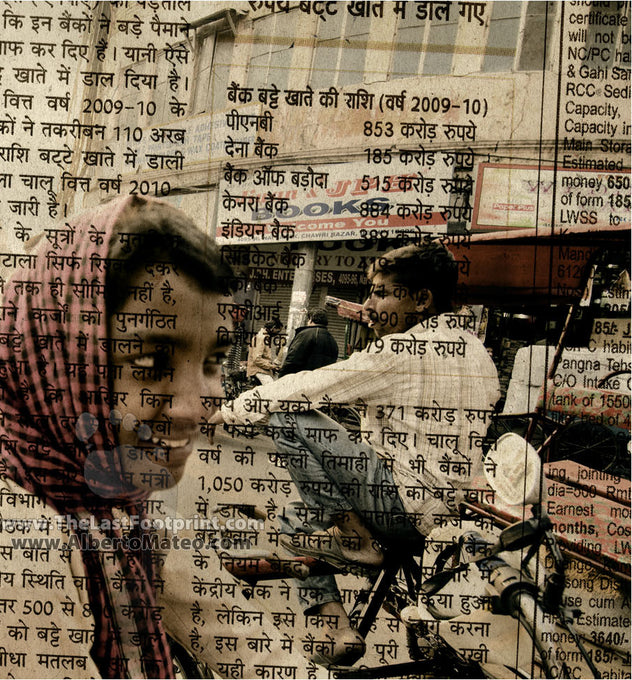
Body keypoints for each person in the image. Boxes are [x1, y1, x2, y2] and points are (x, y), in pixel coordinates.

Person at [0, 195, 312, 678]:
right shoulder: (4, 566)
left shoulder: (114, 503)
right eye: (151, 365)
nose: (201, 403)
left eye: (213, 360)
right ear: (53, 369)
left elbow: (228, 625)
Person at [213, 241, 500, 667]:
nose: (368, 305)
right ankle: (339, 630)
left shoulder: (402, 351)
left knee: (287, 416)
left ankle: (355, 541)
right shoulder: (477, 352)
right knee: (298, 515)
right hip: (448, 513)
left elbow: (302, 388)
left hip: (402, 507)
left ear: (422, 299)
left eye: (382, 293)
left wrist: (226, 412)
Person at [278, 307, 338, 377]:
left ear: (311, 319)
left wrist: (282, 376)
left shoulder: (306, 334)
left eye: (308, 319)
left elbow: (293, 359)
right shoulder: (332, 339)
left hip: (302, 379)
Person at [246, 318, 283, 385]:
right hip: (258, 370)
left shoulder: (265, 337)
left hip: (263, 370)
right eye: (277, 331)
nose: (277, 334)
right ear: (273, 328)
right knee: (271, 388)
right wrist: (272, 366)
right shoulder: (261, 338)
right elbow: (257, 359)